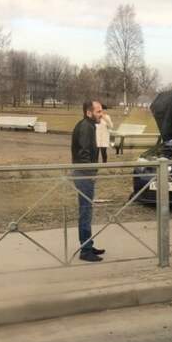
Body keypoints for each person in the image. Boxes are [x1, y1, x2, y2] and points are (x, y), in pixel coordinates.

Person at [71, 99, 104, 262]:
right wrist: (90, 173)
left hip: (84, 174)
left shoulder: (89, 126)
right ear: (88, 113)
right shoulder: (85, 127)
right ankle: (85, 250)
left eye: (102, 111)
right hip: (83, 174)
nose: (102, 114)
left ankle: (88, 245)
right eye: (98, 111)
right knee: (85, 212)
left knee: (87, 211)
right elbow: (84, 154)